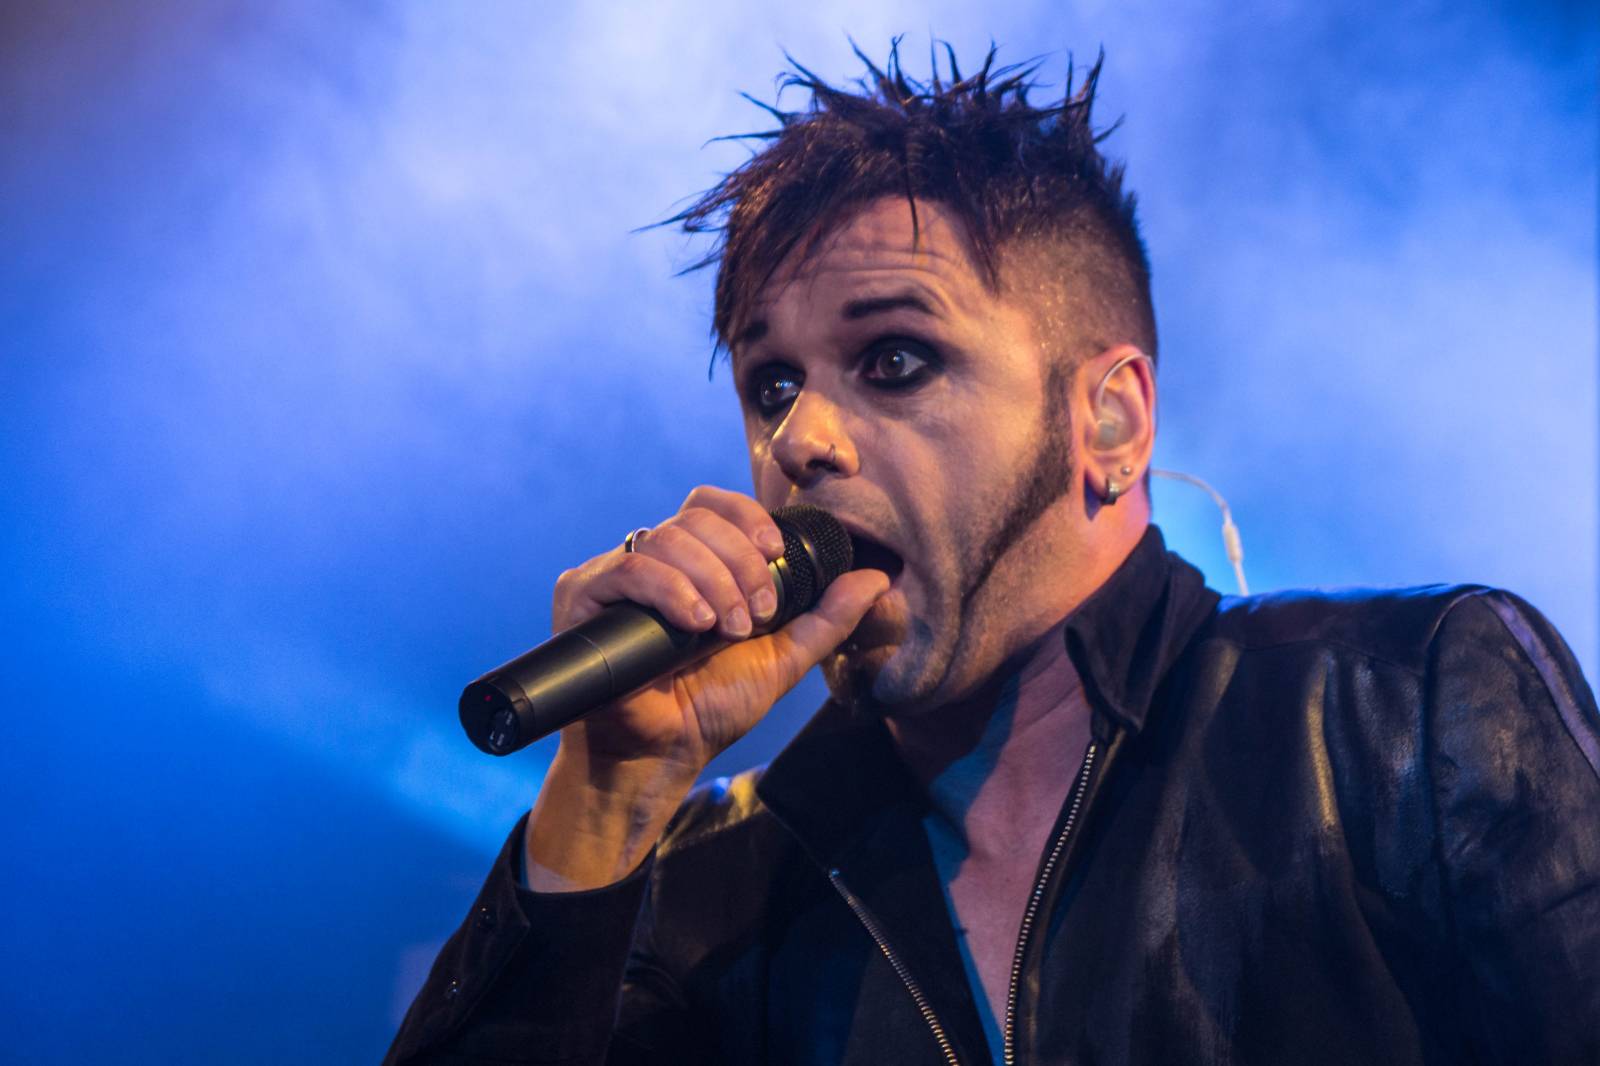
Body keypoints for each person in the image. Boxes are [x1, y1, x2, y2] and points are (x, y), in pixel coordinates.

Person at [384, 45, 1600, 1065]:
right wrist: (602, 796)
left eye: (894, 359)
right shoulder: (711, 884)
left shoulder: (1397, 708)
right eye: (770, 384)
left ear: (1109, 420)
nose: (798, 440)